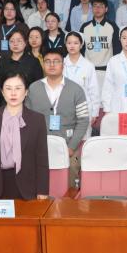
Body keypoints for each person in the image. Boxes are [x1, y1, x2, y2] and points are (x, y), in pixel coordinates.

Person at [0, 71, 50, 200]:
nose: (13, 93)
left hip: (28, 187)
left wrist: (42, 190)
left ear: (26, 92)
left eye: (18, 88)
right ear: (2, 92)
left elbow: (42, 159)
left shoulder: (37, 120)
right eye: (8, 88)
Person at [26, 48, 90, 182]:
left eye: (56, 61)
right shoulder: (33, 88)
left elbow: (83, 120)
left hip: (68, 146)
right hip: (38, 147)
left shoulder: (76, 89)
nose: (52, 65)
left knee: (68, 182)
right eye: (47, 61)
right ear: (43, 64)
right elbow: (27, 119)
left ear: (63, 65)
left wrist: (71, 147)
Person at [62, 31, 100, 128]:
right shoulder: (60, 64)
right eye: (69, 43)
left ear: (81, 45)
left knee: (84, 136)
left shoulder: (88, 65)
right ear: (65, 44)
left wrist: (95, 112)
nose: (72, 46)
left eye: (76, 43)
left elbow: (94, 90)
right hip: (64, 109)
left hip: (84, 110)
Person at [81, 0, 120, 68]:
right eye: (95, 6)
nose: (97, 8)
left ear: (106, 9)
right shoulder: (84, 27)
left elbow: (117, 48)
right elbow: (81, 48)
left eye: (101, 6)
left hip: (107, 68)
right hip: (87, 68)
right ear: (91, 9)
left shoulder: (113, 26)